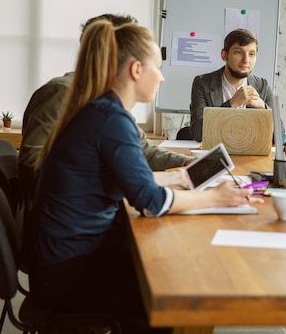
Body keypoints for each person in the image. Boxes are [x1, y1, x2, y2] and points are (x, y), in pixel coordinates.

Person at [25, 20, 262, 334]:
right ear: (136, 70)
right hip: (70, 273)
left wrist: (180, 179)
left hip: (64, 261)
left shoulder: (101, 111)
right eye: (158, 67)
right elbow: (151, 202)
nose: (162, 77)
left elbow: (129, 179)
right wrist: (217, 197)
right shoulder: (111, 120)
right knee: (176, 296)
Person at [18, 14, 193, 221]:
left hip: (89, 215)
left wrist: (189, 165)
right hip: (68, 219)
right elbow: (32, 164)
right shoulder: (63, 93)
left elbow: (143, 151)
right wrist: (117, 181)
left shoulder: (109, 100)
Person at [187, 28, 283, 141]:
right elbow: (198, 133)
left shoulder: (262, 86)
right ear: (224, 55)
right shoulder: (202, 83)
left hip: (251, 155)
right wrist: (232, 103)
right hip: (216, 154)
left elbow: (280, 137)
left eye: (251, 54)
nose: (246, 60)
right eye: (238, 52)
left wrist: (264, 107)